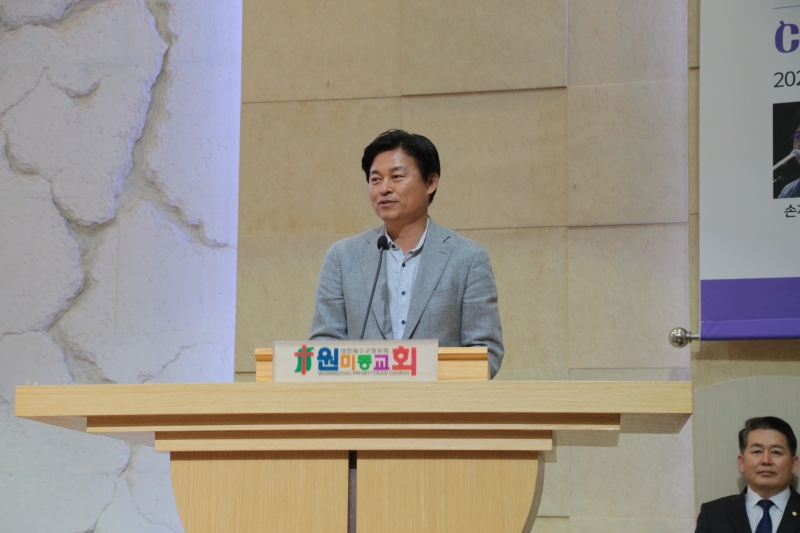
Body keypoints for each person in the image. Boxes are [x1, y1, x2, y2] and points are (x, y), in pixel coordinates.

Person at [309, 129, 504, 378]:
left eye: (397, 177)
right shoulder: (342, 257)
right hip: (365, 400)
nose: (384, 189)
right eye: (375, 179)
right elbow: (324, 344)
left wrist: (428, 382)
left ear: (430, 183)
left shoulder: (467, 257)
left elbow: (485, 351)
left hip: (438, 400)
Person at [695, 416, 800, 533]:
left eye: (776, 452)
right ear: (742, 463)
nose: (766, 460)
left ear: (793, 464)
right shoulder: (713, 514)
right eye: (757, 451)